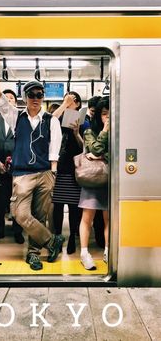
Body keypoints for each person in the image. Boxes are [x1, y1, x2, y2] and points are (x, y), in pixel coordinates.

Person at [0, 54, 64, 271]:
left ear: (43, 97)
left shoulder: (51, 121)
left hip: (44, 173)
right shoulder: (15, 117)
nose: (36, 98)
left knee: (40, 215)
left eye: (39, 94)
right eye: (31, 94)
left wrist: (52, 173)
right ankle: (52, 241)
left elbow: (55, 149)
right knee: (20, 214)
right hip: (22, 174)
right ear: (24, 97)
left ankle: (33, 254)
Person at [0, 88, 24, 244]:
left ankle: (18, 231)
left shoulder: (21, 119)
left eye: (12, 98)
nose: (9, 100)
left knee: (18, 200)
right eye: (5, 98)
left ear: (16, 102)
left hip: (18, 166)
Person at [76, 96, 109, 270]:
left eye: (111, 114)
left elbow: (115, 156)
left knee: (108, 219)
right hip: (92, 179)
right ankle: (84, 253)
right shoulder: (89, 131)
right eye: (104, 114)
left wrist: (102, 155)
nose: (108, 118)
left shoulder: (120, 133)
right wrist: (105, 131)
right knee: (87, 217)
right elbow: (94, 149)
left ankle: (108, 251)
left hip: (110, 180)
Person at [51, 92, 83, 254]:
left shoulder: (82, 121)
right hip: (58, 167)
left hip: (74, 169)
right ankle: (57, 236)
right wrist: (64, 105)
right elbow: (51, 120)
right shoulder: (56, 120)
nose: (68, 102)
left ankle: (71, 237)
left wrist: (77, 133)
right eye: (66, 99)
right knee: (57, 205)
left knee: (73, 207)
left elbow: (85, 147)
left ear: (78, 103)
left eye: (71, 100)